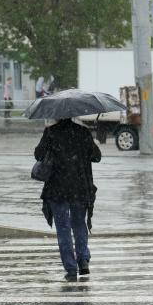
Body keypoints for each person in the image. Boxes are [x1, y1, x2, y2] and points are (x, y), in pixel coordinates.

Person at [34, 118, 101, 281]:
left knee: (63, 228)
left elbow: (38, 155)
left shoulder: (51, 132)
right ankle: (83, 260)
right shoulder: (83, 132)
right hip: (80, 187)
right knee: (79, 224)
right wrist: (92, 141)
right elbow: (97, 157)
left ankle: (70, 267)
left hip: (57, 189)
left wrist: (47, 134)